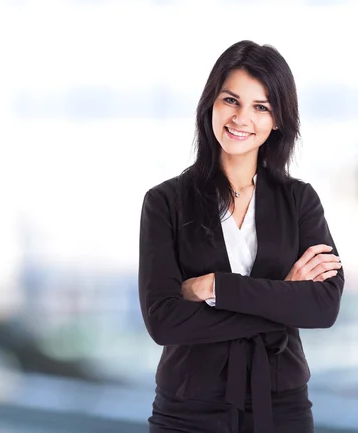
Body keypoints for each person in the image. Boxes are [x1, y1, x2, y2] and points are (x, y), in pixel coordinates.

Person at [138, 40, 345, 433]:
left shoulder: (299, 199)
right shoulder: (164, 202)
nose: (241, 118)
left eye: (260, 107)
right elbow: (163, 321)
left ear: (278, 119)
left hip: (282, 407)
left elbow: (323, 306)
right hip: (187, 411)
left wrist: (217, 287)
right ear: (210, 105)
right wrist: (281, 298)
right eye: (231, 100)